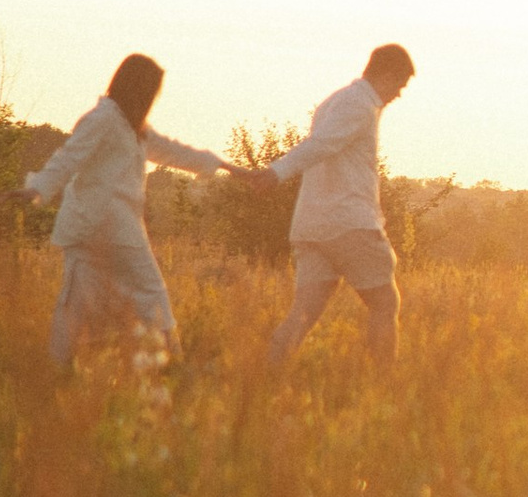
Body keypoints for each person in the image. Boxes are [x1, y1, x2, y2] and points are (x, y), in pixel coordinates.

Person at [22, 54, 242, 367]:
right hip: (99, 227)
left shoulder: (133, 127)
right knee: (143, 294)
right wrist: (38, 187)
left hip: (114, 228)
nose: (153, 100)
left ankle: (69, 368)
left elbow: (173, 151)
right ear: (137, 89)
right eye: (152, 92)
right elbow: (69, 157)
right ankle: (169, 364)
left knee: (86, 305)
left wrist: (227, 167)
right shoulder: (103, 119)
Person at [264, 43, 416, 366]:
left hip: (312, 225)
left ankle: (263, 377)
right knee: (385, 303)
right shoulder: (361, 105)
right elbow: (320, 146)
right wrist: (276, 173)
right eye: (400, 85)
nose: (399, 94)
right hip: (349, 223)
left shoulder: (333, 101)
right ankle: (382, 386)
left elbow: (323, 147)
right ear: (386, 75)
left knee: (302, 316)